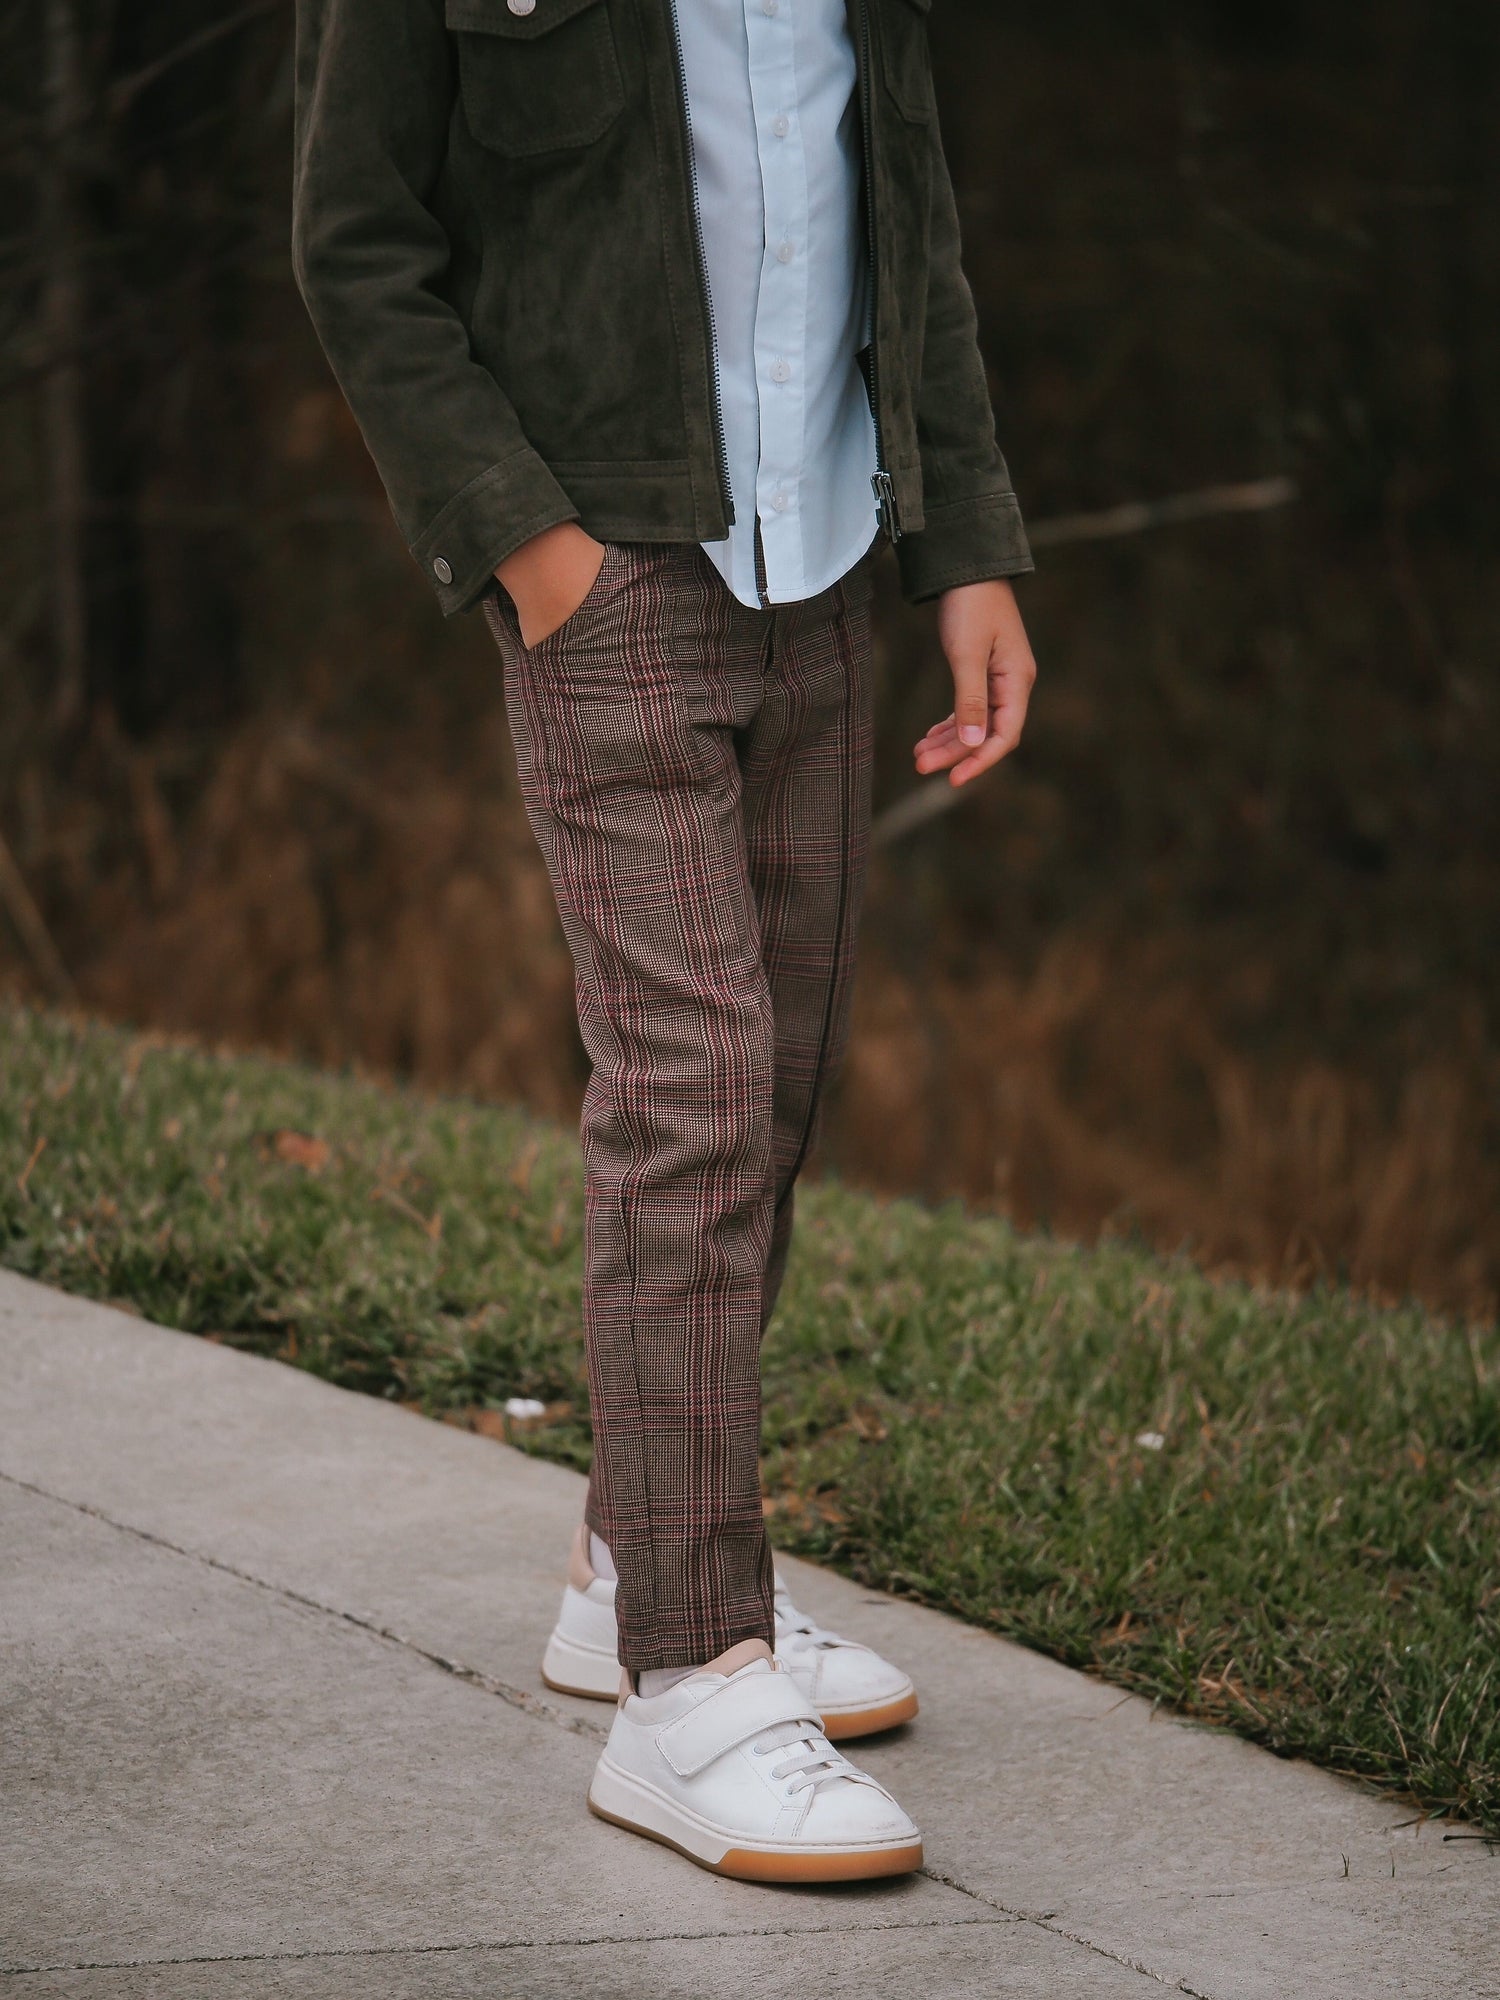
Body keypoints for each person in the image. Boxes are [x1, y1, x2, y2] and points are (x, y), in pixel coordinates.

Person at [292, 0, 1037, 1884]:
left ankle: (633, 1552)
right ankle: (689, 1679)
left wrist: (964, 540)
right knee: (691, 1089)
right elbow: (357, 239)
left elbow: (911, 214)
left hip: (834, 561)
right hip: (611, 571)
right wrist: (528, 545)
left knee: (774, 1080)